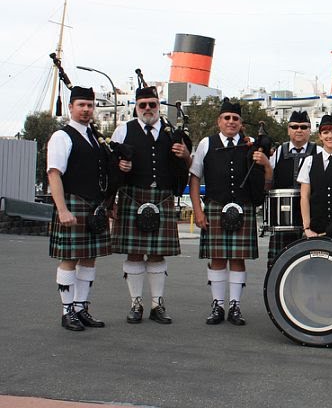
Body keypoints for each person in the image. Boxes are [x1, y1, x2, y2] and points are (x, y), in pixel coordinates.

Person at [111, 85, 191, 324]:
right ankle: (136, 303)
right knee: (134, 253)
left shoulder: (171, 132)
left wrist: (184, 154)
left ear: (159, 105)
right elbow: (110, 166)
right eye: (142, 105)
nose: (148, 109)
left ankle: (157, 304)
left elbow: (188, 165)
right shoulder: (123, 130)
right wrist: (113, 193)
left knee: (157, 253)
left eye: (152, 104)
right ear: (136, 107)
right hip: (132, 197)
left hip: (163, 197)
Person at [189, 99, 271, 325]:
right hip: (215, 206)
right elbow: (195, 177)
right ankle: (218, 305)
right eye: (227, 118)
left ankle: (235, 306)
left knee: (237, 259)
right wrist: (198, 210)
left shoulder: (251, 143)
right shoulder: (207, 143)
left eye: (235, 118)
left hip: (243, 208)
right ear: (219, 121)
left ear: (241, 123)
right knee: (217, 259)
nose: (231, 122)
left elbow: (265, 176)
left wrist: (266, 163)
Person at [47, 86, 111, 331]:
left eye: (89, 105)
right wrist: (62, 209)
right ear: (71, 107)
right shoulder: (62, 136)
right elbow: (54, 174)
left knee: (89, 259)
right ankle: (67, 312)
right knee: (69, 259)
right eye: (81, 105)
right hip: (73, 203)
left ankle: (81, 307)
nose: (86, 109)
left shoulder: (92, 136)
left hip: (93, 206)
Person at [267, 110, 317, 266]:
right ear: (288, 130)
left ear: (310, 130)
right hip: (283, 219)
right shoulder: (277, 152)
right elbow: (267, 179)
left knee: (309, 266)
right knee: (278, 265)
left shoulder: (319, 153)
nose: (299, 130)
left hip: (311, 219)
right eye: (294, 127)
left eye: (304, 127)